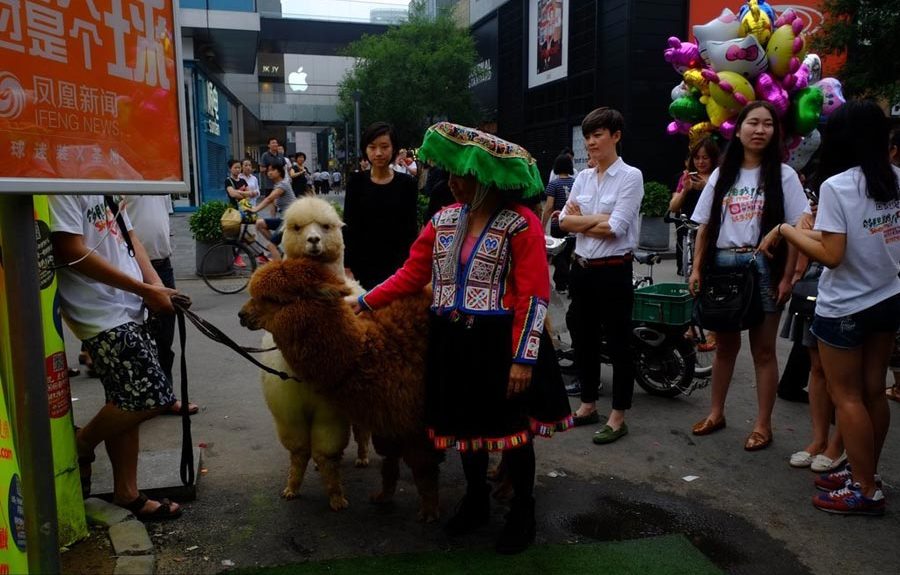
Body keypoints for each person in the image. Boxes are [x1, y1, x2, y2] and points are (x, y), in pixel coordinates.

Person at [348, 122, 571, 554]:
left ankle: (522, 512)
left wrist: (523, 359)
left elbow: (533, 295)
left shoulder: (520, 225)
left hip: (500, 344)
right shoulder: (443, 221)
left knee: (512, 433)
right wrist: (364, 303)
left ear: (485, 176)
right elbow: (412, 274)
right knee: (466, 429)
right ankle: (475, 501)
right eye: (449, 173)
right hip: (452, 341)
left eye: (461, 174)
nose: (451, 181)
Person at [759, 100, 900, 515]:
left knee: (849, 397)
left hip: (846, 307)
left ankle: (865, 489)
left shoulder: (838, 186)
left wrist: (784, 229)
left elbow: (832, 254)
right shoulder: (895, 179)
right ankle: (864, 472)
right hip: (887, 298)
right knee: (874, 391)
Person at [49, 194, 183, 520]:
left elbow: (129, 234)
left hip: (129, 303)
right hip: (97, 311)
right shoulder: (59, 183)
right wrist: (144, 290)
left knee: (126, 400)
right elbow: (69, 250)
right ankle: (81, 443)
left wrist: (154, 284)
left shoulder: (101, 177)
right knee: (151, 396)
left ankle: (127, 492)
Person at [688, 101, 807, 451]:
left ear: (775, 132)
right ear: (737, 130)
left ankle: (762, 424)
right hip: (723, 268)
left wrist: (790, 276)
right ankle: (716, 413)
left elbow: (797, 230)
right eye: (752, 123)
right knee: (725, 348)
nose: (760, 130)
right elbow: (705, 228)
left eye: (767, 124)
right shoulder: (721, 176)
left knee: (764, 352)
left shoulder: (784, 176)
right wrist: (695, 269)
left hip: (765, 270)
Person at [559, 107, 644, 445]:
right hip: (581, 269)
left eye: (598, 135)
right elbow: (563, 222)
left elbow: (615, 227)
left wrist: (587, 220)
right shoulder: (581, 177)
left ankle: (618, 416)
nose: (591, 142)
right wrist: (595, 219)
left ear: (616, 136)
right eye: (588, 136)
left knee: (620, 344)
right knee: (584, 340)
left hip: (614, 271)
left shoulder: (630, 177)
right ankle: (587, 406)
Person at [123, 195, 199, 417]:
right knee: (134, 338)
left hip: (163, 266)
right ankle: (137, 400)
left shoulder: (162, 186)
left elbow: (162, 220)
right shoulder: (124, 181)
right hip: (131, 268)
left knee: (165, 337)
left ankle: (165, 397)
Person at [342, 122, 419, 289]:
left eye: (384, 147)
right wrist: (346, 266)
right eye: (372, 147)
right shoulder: (356, 182)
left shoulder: (407, 184)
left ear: (394, 148)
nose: (378, 153)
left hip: (397, 268)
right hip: (361, 266)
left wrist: (410, 266)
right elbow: (348, 227)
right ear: (365, 149)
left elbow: (410, 229)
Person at [669, 137, 720, 276]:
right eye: (697, 158)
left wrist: (706, 187)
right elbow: (673, 207)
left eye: (705, 158)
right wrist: (685, 189)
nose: (700, 162)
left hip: (711, 230)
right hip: (688, 230)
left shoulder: (719, 177)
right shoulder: (686, 177)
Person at [541, 153, 576, 293]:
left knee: (558, 255)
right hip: (573, 223)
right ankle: (563, 284)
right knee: (567, 254)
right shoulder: (575, 182)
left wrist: (543, 225)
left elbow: (549, 207)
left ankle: (564, 282)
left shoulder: (553, 184)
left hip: (557, 224)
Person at [249, 163, 296, 262]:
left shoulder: (283, 184)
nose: (269, 173)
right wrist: (272, 218)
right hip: (284, 218)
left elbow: (270, 199)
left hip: (291, 219)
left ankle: (281, 270)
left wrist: (255, 209)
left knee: (271, 246)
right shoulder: (277, 185)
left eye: (272, 170)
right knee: (260, 223)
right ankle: (277, 247)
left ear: (279, 172)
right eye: (268, 171)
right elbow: (273, 204)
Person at [259, 138, 285, 217]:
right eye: (273, 143)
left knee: (281, 202)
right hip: (270, 184)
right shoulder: (265, 155)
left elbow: (283, 168)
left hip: (281, 183)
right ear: (269, 145)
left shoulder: (280, 155)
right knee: (273, 203)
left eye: (276, 143)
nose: (275, 144)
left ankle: (282, 220)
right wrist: (271, 169)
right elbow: (261, 169)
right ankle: (273, 221)